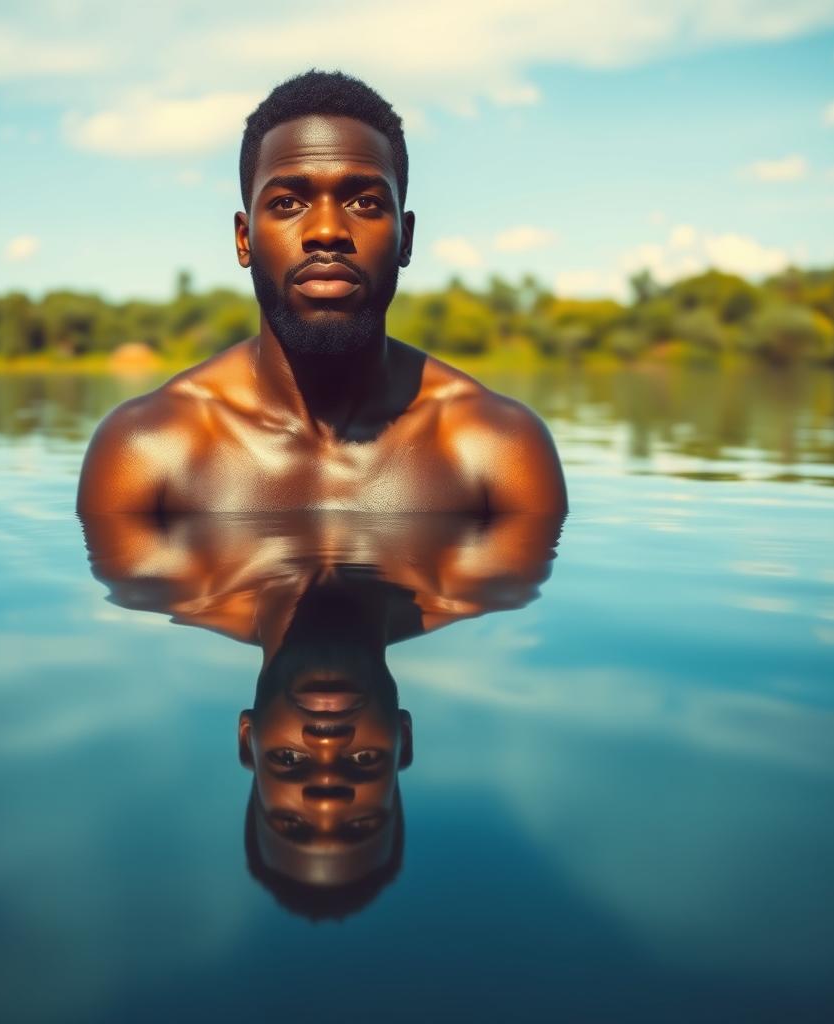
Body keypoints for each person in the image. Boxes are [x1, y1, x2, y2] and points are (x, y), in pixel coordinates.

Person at [76, 70, 567, 515]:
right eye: (288, 202)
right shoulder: (147, 449)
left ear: (406, 238)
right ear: (244, 240)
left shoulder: (498, 447)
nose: (327, 230)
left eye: (366, 201)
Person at [81, 509, 562, 917]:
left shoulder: (141, 566)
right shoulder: (505, 566)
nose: (328, 744)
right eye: (362, 762)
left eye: (290, 761)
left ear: (249, 739)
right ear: (403, 738)